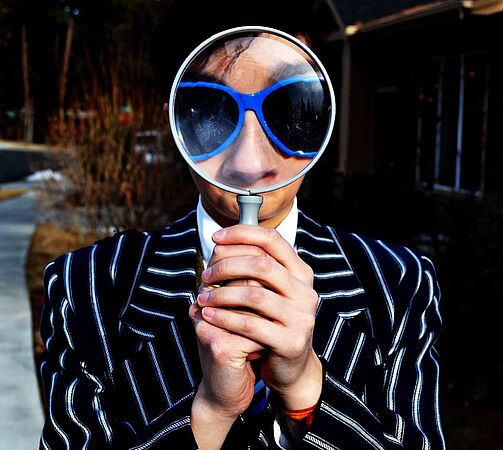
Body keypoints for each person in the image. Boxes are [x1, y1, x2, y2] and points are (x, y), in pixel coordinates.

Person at [38, 1, 446, 449]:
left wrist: (307, 388)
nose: (249, 164)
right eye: (212, 111)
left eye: (288, 107)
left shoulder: (398, 283)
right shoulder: (89, 286)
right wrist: (210, 412)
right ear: (175, 122)